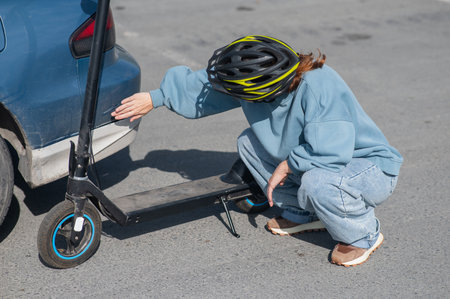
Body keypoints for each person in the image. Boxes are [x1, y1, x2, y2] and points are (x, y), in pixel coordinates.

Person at [111, 35, 403, 267]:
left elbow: (331, 150)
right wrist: (157, 98)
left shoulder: (320, 84)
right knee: (250, 142)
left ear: (267, 88)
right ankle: (306, 212)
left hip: (366, 167)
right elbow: (206, 87)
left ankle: (362, 234)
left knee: (318, 182)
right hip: (317, 161)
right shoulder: (262, 81)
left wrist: (289, 165)